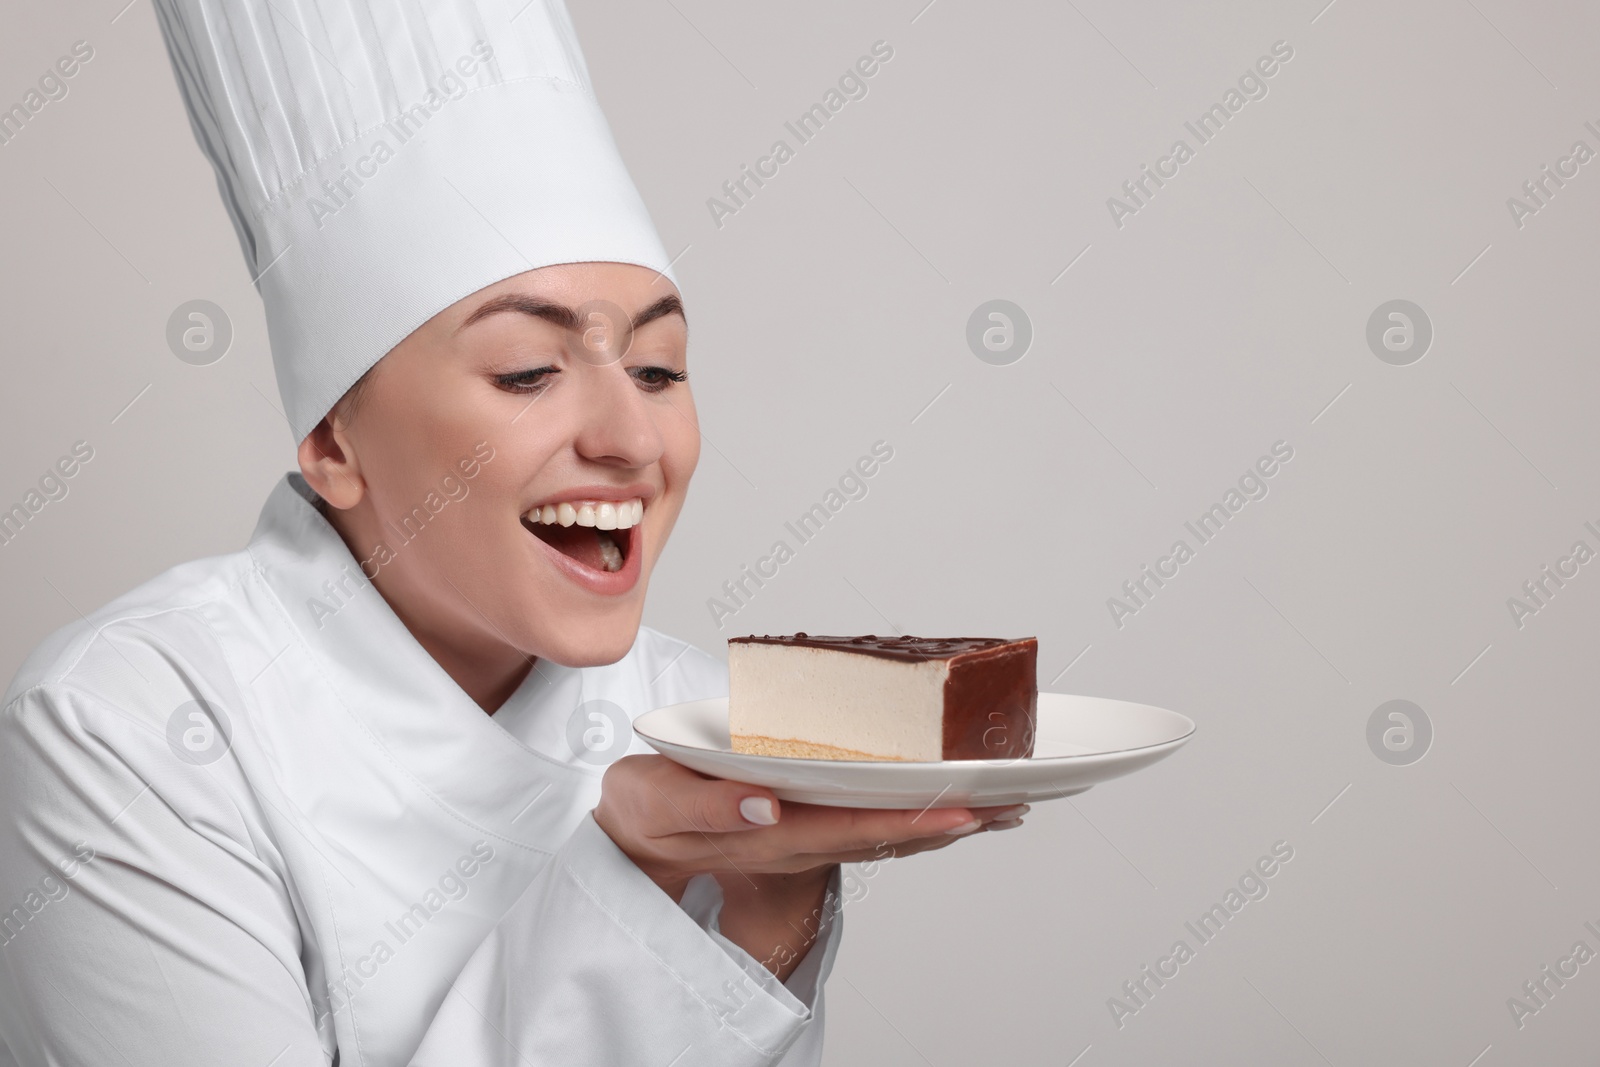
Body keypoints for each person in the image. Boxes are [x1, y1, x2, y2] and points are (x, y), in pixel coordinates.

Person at [0, 2, 1025, 1064]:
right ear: (332, 441)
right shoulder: (128, 724)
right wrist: (631, 876)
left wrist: (766, 913)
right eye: (526, 372)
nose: (632, 436)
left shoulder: (703, 734)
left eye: (658, 368)